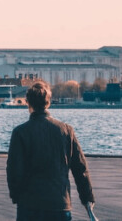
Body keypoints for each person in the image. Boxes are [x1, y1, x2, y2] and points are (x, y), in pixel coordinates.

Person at [7, 81, 95, 220]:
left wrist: (17, 196)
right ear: (48, 102)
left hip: (29, 205)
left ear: (28, 103)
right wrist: (87, 199)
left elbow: (14, 170)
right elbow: (80, 169)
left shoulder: (20, 132)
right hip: (59, 204)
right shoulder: (66, 130)